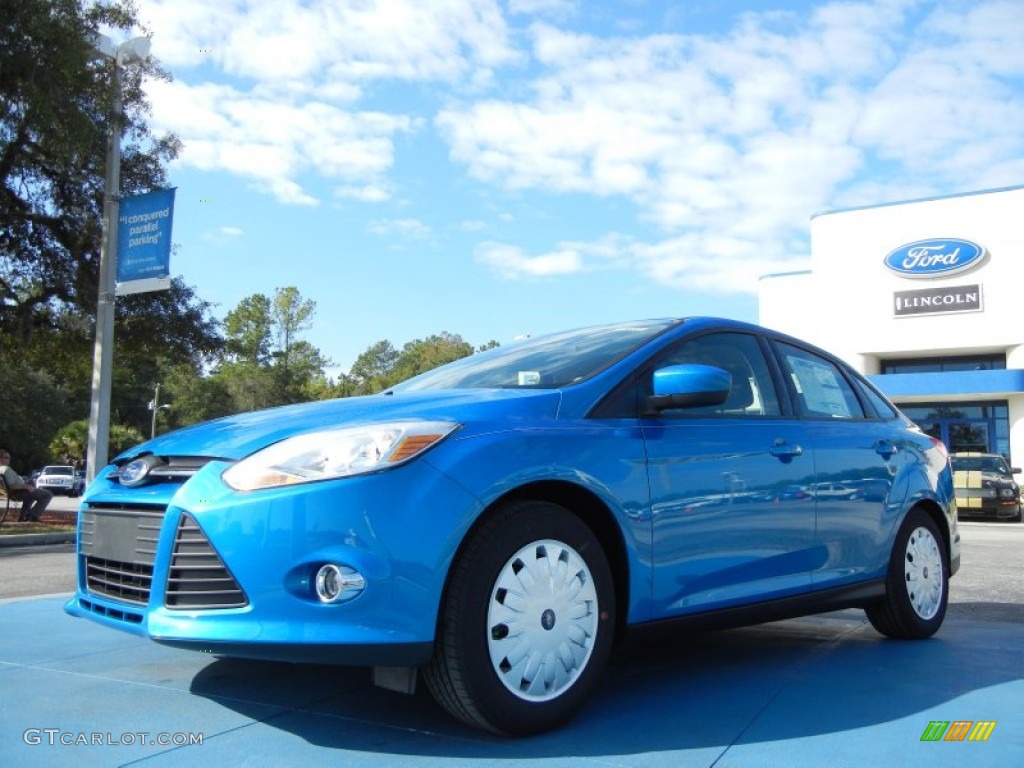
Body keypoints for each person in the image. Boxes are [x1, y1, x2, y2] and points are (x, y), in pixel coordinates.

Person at [0, 448, 52, 522]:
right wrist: (26, 487)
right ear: (0, 458)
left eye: (9, 458)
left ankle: (24, 516)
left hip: (9, 492)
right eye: (7, 457)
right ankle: (32, 516)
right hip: (17, 493)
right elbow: (11, 486)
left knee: (31, 483)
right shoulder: (5, 469)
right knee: (48, 494)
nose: (9, 459)